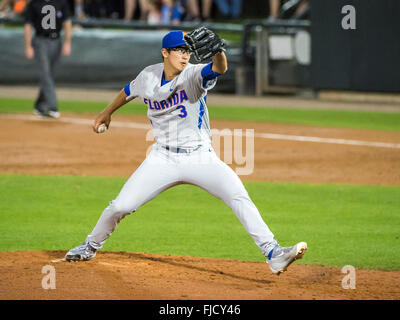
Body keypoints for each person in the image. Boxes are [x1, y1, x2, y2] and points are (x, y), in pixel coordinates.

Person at [65, 29, 307, 275]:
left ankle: (273, 253)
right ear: (165, 53)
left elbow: (218, 69)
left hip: (200, 157)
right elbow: (128, 90)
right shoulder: (148, 75)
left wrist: (218, 52)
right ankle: (90, 245)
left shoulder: (193, 75)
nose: (184, 56)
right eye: (179, 50)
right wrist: (107, 111)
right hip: (162, 157)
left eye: (187, 51)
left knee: (238, 195)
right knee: (120, 206)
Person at [24, 0, 72, 118]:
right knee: (45, 73)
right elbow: (28, 25)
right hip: (40, 40)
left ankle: (39, 106)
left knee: (50, 74)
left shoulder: (61, 3)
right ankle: (52, 106)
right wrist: (28, 46)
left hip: (56, 40)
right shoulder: (34, 3)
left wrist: (67, 42)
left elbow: (67, 22)